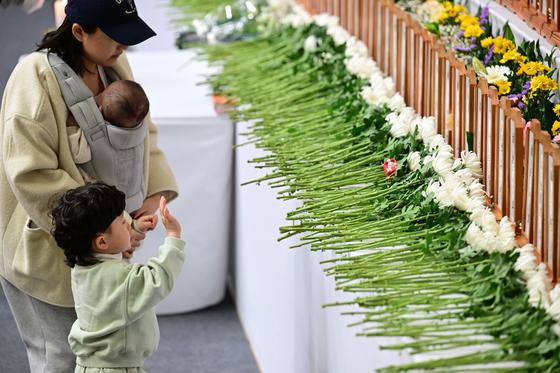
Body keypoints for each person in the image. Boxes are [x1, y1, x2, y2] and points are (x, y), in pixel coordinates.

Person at [0, 0, 178, 372]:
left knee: (101, 354)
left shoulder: (112, 64)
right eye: (116, 37)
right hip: (50, 247)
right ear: (79, 31)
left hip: (104, 240)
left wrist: (150, 196)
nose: (123, 47)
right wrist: (113, 227)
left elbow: (144, 130)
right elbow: (31, 175)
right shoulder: (32, 80)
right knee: (61, 358)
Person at [50, 182, 184, 373]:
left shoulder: (84, 267)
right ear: (102, 241)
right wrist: (173, 236)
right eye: (123, 222)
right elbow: (157, 279)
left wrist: (134, 229)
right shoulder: (118, 278)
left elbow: (111, 255)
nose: (128, 225)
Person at [67, 79, 150, 183]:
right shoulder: (140, 131)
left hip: (104, 191)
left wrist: (71, 124)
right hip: (135, 189)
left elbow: (77, 153)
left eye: (101, 94)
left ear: (100, 110)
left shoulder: (98, 137)